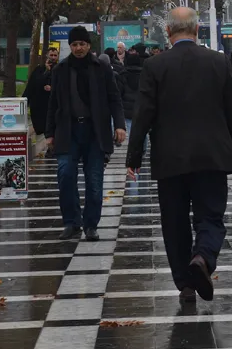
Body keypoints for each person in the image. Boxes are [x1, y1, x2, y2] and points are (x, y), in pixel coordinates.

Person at [126, 7, 232, 303]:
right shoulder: (218, 62)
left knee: (174, 221)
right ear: (197, 29)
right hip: (212, 156)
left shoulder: (155, 66)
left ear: (168, 31)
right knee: (211, 216)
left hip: (170, 158)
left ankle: (185, 284)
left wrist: (134, 157)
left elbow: (143, 114)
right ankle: (202, 257)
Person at [46, 26, 126, 241]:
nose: (78, 48)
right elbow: (53, 104)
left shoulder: (101, 67)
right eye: (74, 44)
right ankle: (71, 222)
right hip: (68, 131)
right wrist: (49, 133)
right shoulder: (61, 69)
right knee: (65, 174)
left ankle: (91, 224)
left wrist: (119, 125)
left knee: (94, 180)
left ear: (88, 45)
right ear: (70, 46)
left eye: (82, 44)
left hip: (94, 132)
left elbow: (114, 98)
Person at [25, 47, 59, 157]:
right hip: (41, 105)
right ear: (47, 56)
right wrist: (47, 72)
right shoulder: (39, 70)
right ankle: (51, 148)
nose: (53, 57)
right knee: (45, 127)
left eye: (55, 55)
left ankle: (53, 148)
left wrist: (53, 88)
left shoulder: (60, 69)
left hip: (56, 104)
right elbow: (33, 85)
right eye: (51, 55)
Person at [119, 51, 144, 135]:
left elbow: (120, 92)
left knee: (130, 127)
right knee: (142, 129)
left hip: (127, 108)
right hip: (141, 106)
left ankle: (133, 142)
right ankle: (142, 143)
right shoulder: (145, 74)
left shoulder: (122, 74)